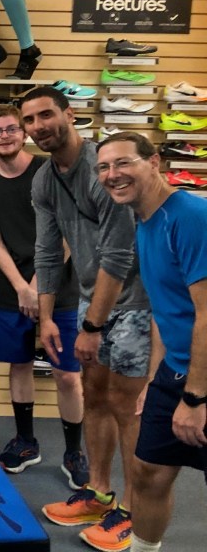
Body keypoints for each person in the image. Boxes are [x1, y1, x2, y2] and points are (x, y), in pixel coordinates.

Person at [21, 86, 151, 552]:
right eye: (29, 120)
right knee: (94, 395)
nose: (38, 127)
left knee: (128, 407)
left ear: (68, 114)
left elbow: (121, 251)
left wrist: (93, 327)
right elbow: (46, 250)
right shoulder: (43, 180)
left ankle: (134, 515)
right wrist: (48, 316)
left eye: (45, 115)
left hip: (136, 302)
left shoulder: (103, 170)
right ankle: (99, 493)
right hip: (90, 301)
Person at [96, 132, 207, 552]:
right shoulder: (145, 219)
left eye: (123, 163)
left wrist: (195, 399)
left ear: (154, 162)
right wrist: (155, 378)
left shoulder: (191, 216)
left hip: (202, 378)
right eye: (104, 167)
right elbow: (167, 310)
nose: (113, 175)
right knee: (147, 472)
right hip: (176, 369)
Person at [0, 104, 88, 486]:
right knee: (18, 365)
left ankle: (74, 452)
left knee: (67, 374)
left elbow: (68, 234)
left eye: (11, 129)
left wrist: (40, 284)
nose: (4, 136)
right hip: (10, 289)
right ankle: (26, 442)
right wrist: (22, 287)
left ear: (23, 133)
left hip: (62, 288)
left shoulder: (49, 170)